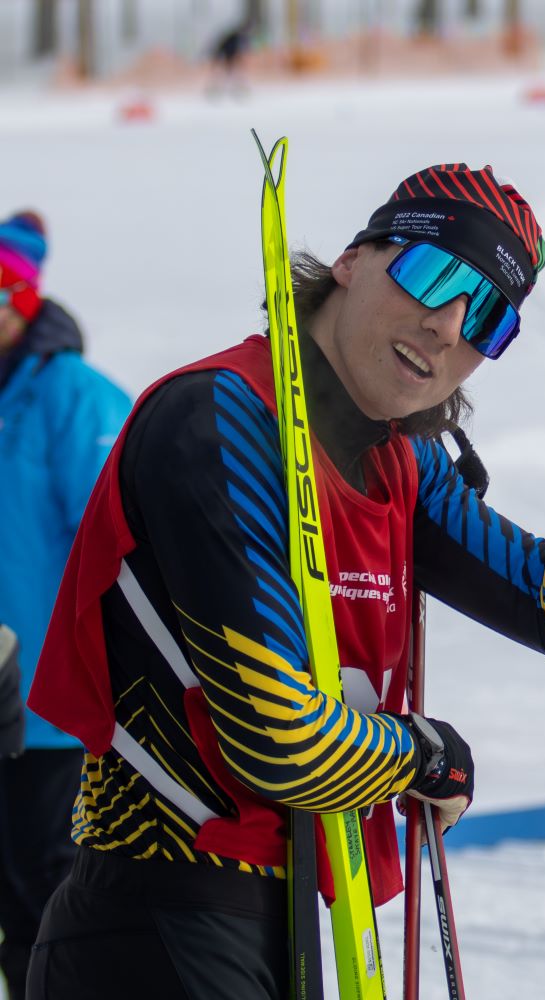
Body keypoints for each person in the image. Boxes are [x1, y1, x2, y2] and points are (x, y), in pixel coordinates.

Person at [26, 163, 545, 997]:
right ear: (351, 260)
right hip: (156, 920)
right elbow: (279, 737)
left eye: (486, 318)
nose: (445, 326)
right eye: (433, 273)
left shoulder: (404, 461)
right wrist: (424, 755)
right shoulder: (216, 419)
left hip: (308, 924)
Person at [0, 210, 131, 1000]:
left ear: (18, 301)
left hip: (51, 708)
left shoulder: (73, 398)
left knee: (43, 895)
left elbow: (120, 542)